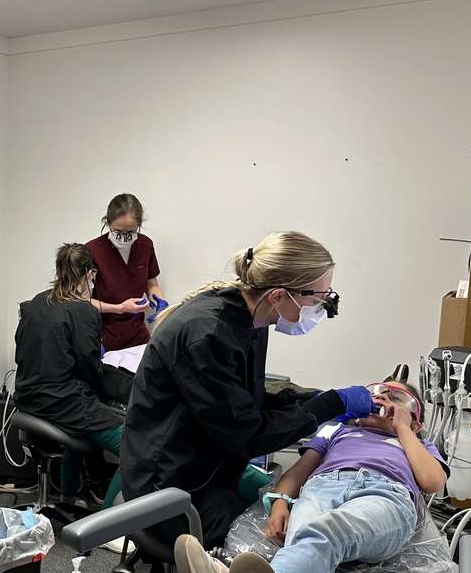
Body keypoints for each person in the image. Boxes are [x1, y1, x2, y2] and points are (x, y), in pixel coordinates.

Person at [120, 230, 377, 552]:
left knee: (287, 505)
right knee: (279, 545)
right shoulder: (208, 334)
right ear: (279, 295)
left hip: (208, 467)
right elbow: (247, 435)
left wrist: (309, 399)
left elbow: (244, 400)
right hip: (170, 490)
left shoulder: (251, 319)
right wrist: (328, 406)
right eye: (318, 298)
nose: (321, 307)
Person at [173, 379, 448, 573]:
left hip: (384, 494)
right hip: (322, 488)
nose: (381, 397)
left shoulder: (419, 443)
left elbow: (432, 481)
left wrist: (403, 429)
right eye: (377, 392)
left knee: (327, 531)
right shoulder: (338, 431)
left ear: (416, 420)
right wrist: (280, 502)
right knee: (304, 543)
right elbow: (298, 473)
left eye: (394, 396)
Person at [14, 243, 124, 508]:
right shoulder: (84, 310)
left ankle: (68, 498)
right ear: (88, 274)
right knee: (133, 445)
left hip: (27, 397)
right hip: (60, 402)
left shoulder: (36, 302)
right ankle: (108, 521)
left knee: (85, 424)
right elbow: (89, 366)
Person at [85, 194, 167, 404]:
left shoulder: (146, 246)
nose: (124, 238)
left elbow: (152, 283)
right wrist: (119, 308)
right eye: (118, 232)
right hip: (104, 339)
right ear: (107, 224)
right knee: (115, 396)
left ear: (139, 227)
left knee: (149, 390)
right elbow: (81, 300)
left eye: (130, 232)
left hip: (137, 336)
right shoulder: (92, 251)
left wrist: (159, 304)